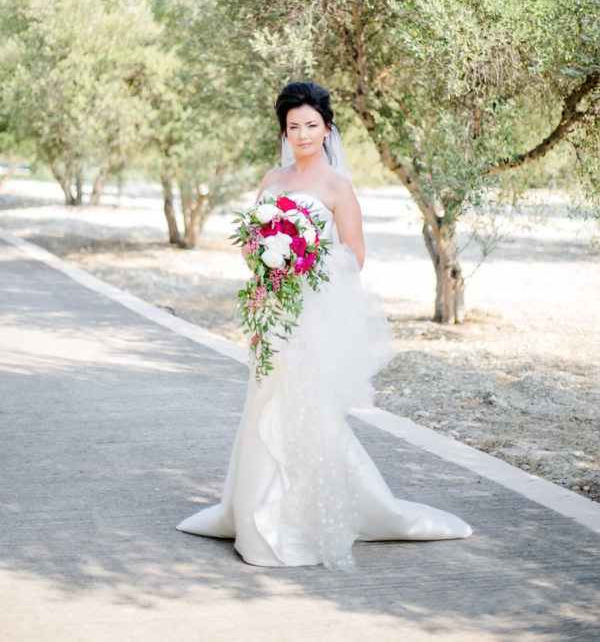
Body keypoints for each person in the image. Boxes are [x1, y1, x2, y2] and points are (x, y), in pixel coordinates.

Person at [177, 81, 472, 569]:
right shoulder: (272, 179)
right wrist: (266, 257)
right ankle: (251, 513)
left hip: (314, 317)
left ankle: (305, 518)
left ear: (327, 128)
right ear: (284, 131)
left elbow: (355, 256)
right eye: (293, 127)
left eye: (311, 125)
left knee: (310, 410)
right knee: (263, 407)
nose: (302, 134)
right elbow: (252, 245)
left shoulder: (338, 187)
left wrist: (304, 252)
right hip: (274, 313)